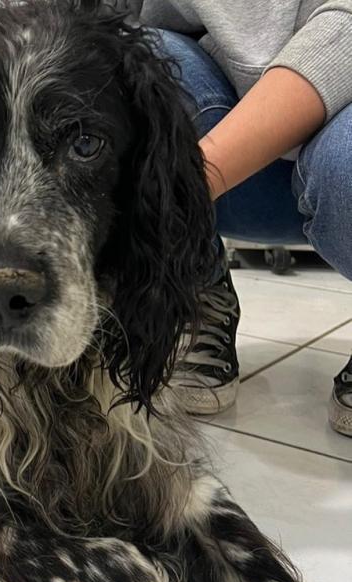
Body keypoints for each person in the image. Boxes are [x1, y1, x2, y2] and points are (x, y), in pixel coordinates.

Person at [115, 1, 352, 436]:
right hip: (223, 103)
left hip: (340, 117)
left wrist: (180, 189)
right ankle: (200, 291)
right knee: (134, 60)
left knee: (347, 171)